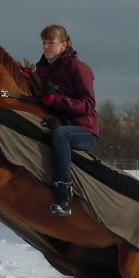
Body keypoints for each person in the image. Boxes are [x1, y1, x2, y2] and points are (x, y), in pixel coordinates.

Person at [33, 24, 99, 216]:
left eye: (51, 43)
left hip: (85, 130)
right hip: (62, 125)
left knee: (61, 134)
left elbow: (88, 105)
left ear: (64, 44)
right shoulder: (43, 71)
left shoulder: (79, 68)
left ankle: (64, 194)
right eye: (43, 43)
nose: (46, 47)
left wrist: (56, 100)